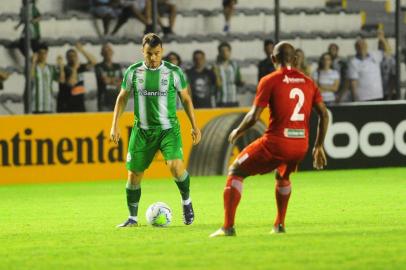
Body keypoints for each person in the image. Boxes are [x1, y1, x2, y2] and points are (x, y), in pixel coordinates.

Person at [210, 42, 329, 237]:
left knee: (236, 171)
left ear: (273, 59)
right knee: (283, 176)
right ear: (296, 59)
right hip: (300, 145)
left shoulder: (270, 80)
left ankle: (227, 227)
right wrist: (318, 146)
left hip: (276, 142)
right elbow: (324, 114)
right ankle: (279, 225)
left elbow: (254, 116)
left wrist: (238, 130)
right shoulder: (308, 82)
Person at [110, 33, 202, 227]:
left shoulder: (174, 72)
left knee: (175, 167)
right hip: (142, 131)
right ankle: (132, 218)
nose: (153, 58)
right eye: (149, 53)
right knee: (134, 174)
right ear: (142, 51)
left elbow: (186, 99)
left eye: (157, 53)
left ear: (163, 51)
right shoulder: (133, 72)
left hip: (168, 129)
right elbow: (122, 98)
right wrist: (114, 125)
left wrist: (195, 126)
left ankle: (186, 202)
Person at [57, 43, 97, 112]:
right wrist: (75, 68)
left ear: (77, 57)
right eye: (70, 56)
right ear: (67, 58)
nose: (72, 58)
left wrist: (82, 50)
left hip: (80, 104)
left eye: (74, 56)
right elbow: (71, 83)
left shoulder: (80, 67)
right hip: (68, 105)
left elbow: (94, 62)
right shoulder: (65, 69)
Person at [347, 37, 388, 102]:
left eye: (363, 44)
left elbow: (387, 52)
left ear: (366, 46)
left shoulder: (375, 55)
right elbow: (353, 82)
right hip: (362, 98)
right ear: (356, 48)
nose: (361, 47)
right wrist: (354, 99)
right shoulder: (353, 62)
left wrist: (382, 39)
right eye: (359, 45)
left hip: (378, 96)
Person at [31, 43, 65, 113]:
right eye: (40, 53)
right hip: (35, 106)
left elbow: (61, 80)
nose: (43, 55)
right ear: (37, 54)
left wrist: (61, 66)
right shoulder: (33, 67)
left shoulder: (51, 68)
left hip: (48, 105)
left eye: (45, 53)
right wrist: (33, 62)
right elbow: (30, 78)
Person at [213, 42, 244, 107]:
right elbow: (214, 84)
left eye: (227, 50)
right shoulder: (215, 67)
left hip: (233, 99)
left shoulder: (235, 66)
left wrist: (241, 82)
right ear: (219, 53)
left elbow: (238, 80)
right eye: (222, 51)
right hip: (221, 100)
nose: (225, 53)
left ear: (230, 52)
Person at [95, 43, 123, 111]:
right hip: (104, 101)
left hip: (117, 99)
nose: (107, 53)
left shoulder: (117, 66)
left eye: (109, 50)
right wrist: (116, 80)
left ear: (112, 52)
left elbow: (122, 81)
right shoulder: (99, 66)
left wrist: (110, 80)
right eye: (105, 51)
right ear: (102, 53)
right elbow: (105, 81)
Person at [377, 32, 396, 100]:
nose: (380, 46)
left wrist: (382, 39)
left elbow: (392, 77)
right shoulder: (377, 58)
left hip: (388, 93)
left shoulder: (391, 59)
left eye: (383, 44)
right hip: (378, 93)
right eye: (379, 44)